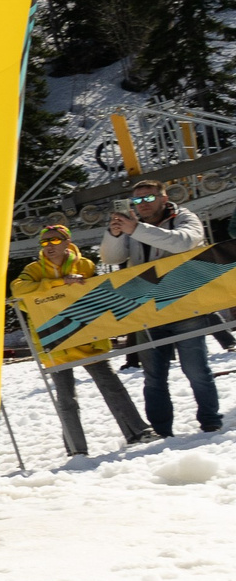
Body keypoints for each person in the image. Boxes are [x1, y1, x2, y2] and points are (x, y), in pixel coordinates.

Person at [14, 223, 152, 456]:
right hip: (54, 340)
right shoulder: (35, 269)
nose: (49, 246)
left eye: (55, 240)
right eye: (45, 242)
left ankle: (138, 432)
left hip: (87, 337)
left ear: (68, 242)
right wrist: (59, 283)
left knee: (112, 387)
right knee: (66, 398)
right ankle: (76, 450)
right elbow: (18, 290)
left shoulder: (85, 265)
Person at [101, 180, 224, 437]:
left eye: (148, 198)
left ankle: (210, 420)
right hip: (148, 309)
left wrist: (136, 229)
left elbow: (184, 243)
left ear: (163, 198)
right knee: (154, 377)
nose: (142, 204)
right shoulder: (130, 223)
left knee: (196, 370)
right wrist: (114, 235)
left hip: (184, 305)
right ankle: (161, 429)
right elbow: (112, 258)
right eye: (137, 201)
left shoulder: (184, 217)